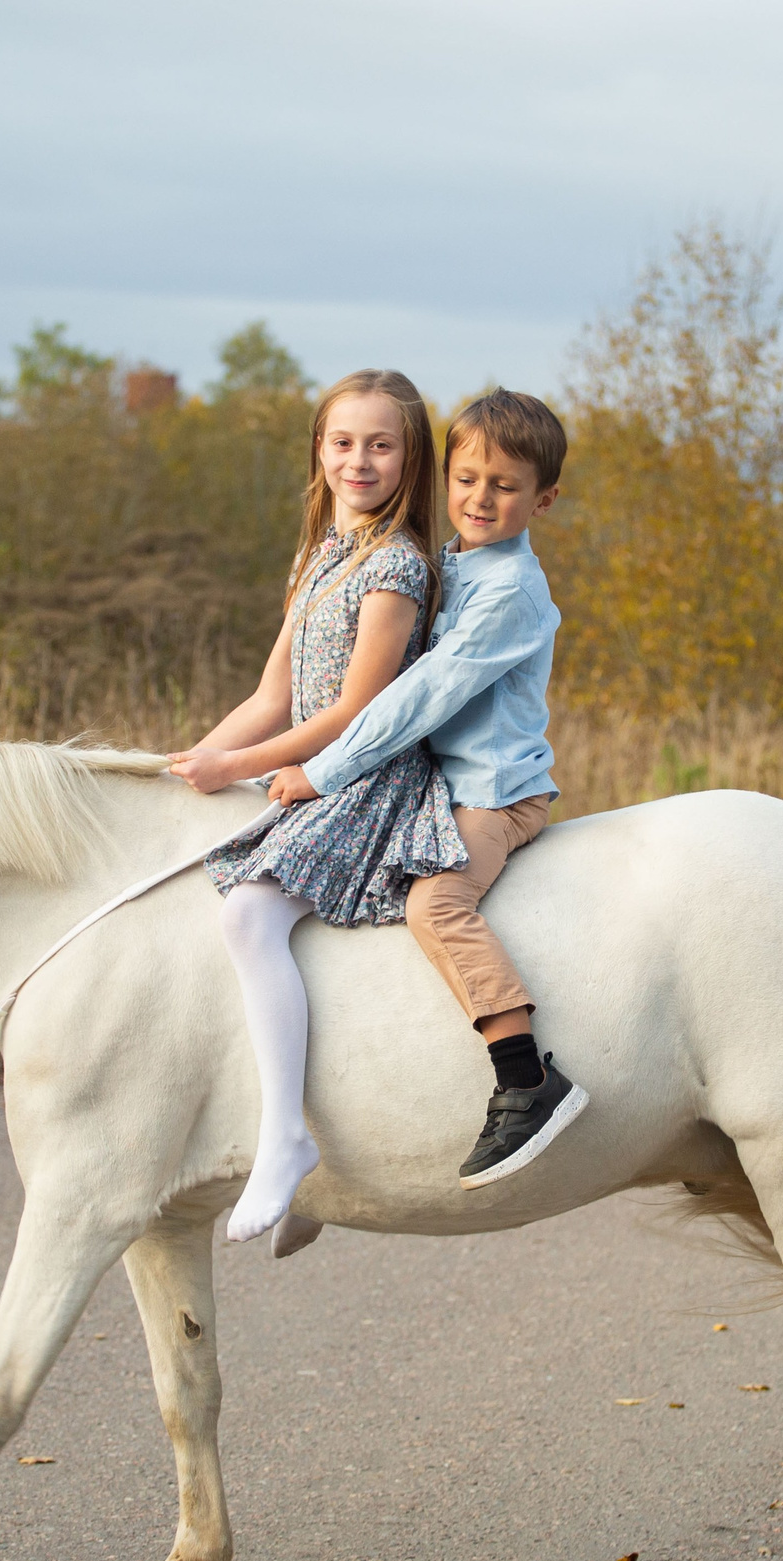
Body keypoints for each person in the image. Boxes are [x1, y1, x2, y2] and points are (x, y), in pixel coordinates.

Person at [169, 369, 467, 1244]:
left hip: (363, 777)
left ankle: (289, 1139)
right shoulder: (318, 558)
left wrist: (243, 764)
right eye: (343, 442)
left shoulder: (397, 567)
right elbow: (275, 695)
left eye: (382, 444)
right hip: (302, 762)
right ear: (320, 450)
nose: (359, 460)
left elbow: (350, 714)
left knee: (253, 918)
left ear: (409, 458)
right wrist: (192, 761)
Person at [274, 388, 585, 1189]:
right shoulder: (450, 561)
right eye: (468, 478)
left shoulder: (510, 591)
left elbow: (424, 695)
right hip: (436, 783)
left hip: (493, 794)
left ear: (542, 499)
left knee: (433, 904)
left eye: (506, 486)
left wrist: (325, 770)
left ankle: (524, 1078)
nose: (481, 498)